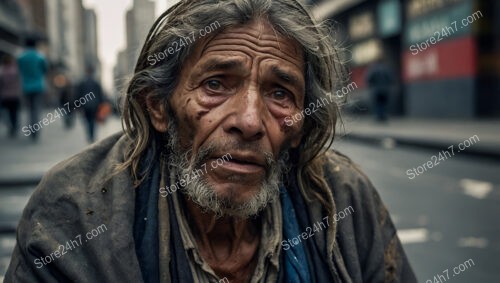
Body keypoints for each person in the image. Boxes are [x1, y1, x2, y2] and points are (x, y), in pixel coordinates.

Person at [5, 1, 417, 282]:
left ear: (300, 126)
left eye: (279, 93)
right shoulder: (72, 211)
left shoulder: (344, 200)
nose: (250, 121)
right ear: (159, 108)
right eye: (216, 84)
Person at [17, 37, 48, 141]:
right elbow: (45, 69)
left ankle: (31, 129)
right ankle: (35, 130)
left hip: (26, 86)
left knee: (29, 109)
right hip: (38, 86)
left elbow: (19, 70)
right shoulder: (40, 56)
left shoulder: (21, 57)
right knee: (36, 109)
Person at [76, 66, 104, 143]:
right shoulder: (96, 83)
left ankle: (90, 135)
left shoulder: (82, 83)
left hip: (85, 105)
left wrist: (78, 105)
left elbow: (78, 95)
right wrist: (100, 104)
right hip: (94, 105)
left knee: (88, 121)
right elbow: (100, 95)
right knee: (92, 121)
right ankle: (92, 136)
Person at [0, 55, 22, 138]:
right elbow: (20, 82)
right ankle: (14, 126)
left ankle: (10, 126)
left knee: (6, 112)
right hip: (15, 95)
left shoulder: (2, 71)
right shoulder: (16, 70)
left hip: (5, 96)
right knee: (14, 113)